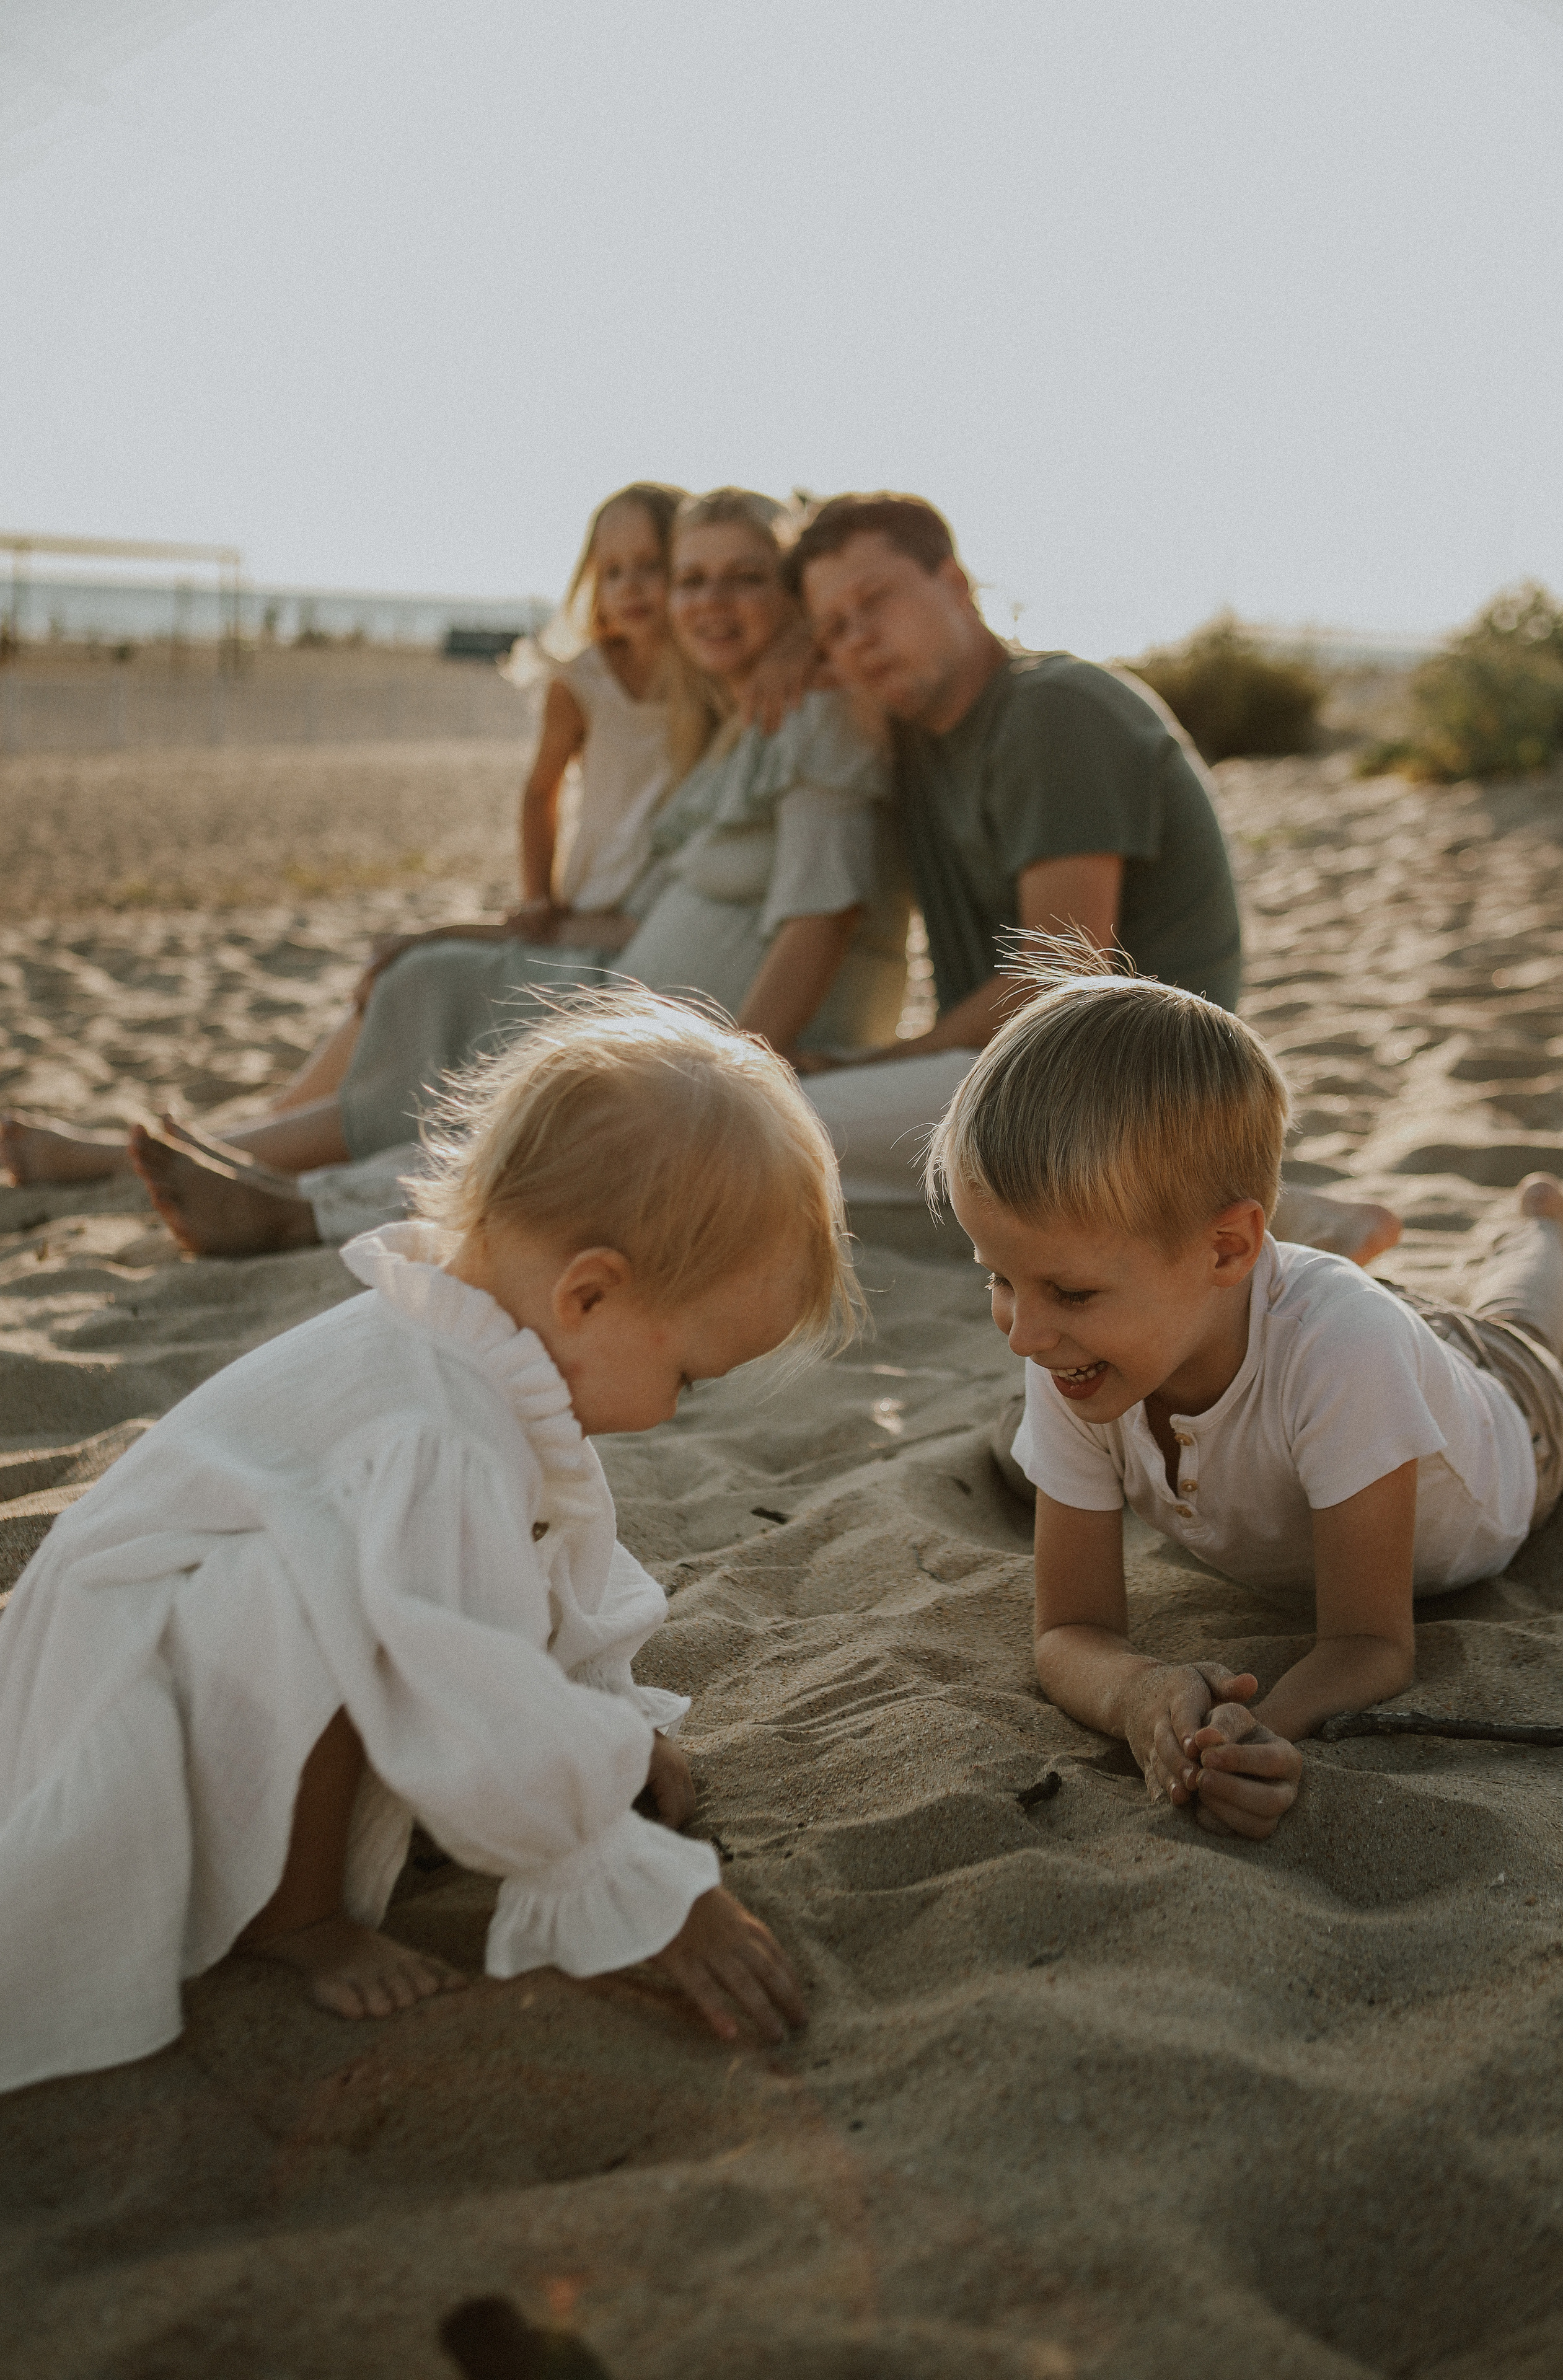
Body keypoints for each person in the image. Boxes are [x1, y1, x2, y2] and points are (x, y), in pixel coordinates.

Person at [0, 990, 837, 2096]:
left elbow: (514, 1585)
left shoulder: (464, 1348)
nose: (677, 1411)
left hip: (154, 1654)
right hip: (127, 1686)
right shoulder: (438, 1426)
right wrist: (628, 1874)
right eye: (687, 1376)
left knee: (368, 1581)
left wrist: (613, 1734)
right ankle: (297, 1917)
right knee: (331, 1586)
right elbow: (462, 1657)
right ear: (589, 1293)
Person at [11, 489, 910, 1258]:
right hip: (631, 982)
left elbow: (821, 920)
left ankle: (239, 1182)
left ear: (793, 592)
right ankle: (220, 1161)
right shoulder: (743, 715)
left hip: (715, 1032)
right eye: (694, 580)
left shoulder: (818, 716)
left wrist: (732, 1078)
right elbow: (654, 905)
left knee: (502, 1068)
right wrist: (458, 928)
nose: (712, 601)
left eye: (747, 578)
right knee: (431, 975)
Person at [925, 949, 1563, 1841]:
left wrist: (1259, 1726)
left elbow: (1370, 1644)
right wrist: (1136, 1694)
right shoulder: (1067, 1350)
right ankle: (1325, 1244)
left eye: (1070, 1292)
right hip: (1292, 1321)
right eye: (998, 1278)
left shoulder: (1344, 1351)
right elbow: (1068, 1629)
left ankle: (1543, 1231)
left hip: (1516, 1417)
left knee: (1521, 1322)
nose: (1022, 1333)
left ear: (1227, 1248)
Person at [0, 482, 688, 1187]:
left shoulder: (705, 686)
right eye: (613, 570)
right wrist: (538, 894)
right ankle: (237, 1137)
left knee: (421, 973)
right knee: (401, 970)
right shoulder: (583, 681)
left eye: (650, 566)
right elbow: (539, 793)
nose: (631, 587)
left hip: (637, 930)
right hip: (579, 909)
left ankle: (201, 1149)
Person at [785, 492, 1401, 1261]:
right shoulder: (920, 742)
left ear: (954, 581)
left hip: (1130, 1077)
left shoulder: (1052, 711)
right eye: (833, 629)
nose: (859, 639)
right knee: (802, 1142)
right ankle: (1251, 1213)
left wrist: (882, 1062)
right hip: (1039, 1077)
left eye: (875, 600)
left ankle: (1281, 1219)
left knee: (779, 1131)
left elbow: (1061, 971)